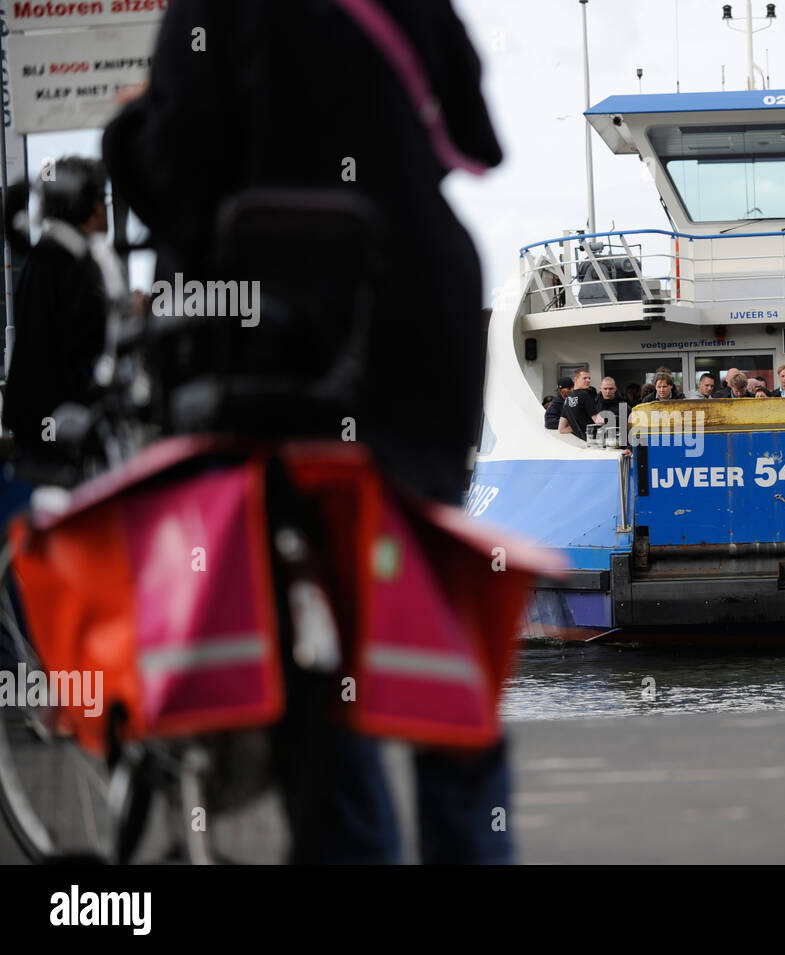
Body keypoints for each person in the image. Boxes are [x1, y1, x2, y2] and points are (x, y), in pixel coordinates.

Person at [101, 0, 508, 865]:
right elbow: (476, 133)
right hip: (422, 315)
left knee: (311, 629)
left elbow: (182, 183)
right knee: (421, 600)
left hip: (292, 334)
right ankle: (471, 838)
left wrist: (134, 121)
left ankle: (354, 839)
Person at [4, 157, 115, 457]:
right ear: (91, 208)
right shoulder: (72, 263)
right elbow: (87, 340)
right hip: (60, 422)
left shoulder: (45, 254)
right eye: (103, 200)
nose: (107, 210)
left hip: (34, 418)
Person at [559, 368, 604, 435]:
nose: (588, 380)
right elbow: (599, 421)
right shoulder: (585, 395)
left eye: (589, 378)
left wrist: (577, 428)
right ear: (576, 379)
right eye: (584, 378)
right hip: (592, 440)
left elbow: (562, 429)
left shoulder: (567, 399)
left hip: (580, 441)